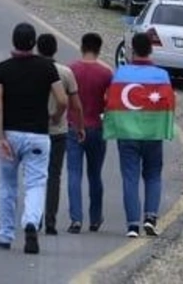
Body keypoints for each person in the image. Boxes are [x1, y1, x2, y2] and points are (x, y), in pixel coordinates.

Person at [0, 22, 69, 255]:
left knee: (8, 184)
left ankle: (5, 234)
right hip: (38, 134)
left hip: (11, 135)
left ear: (13, 41)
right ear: (33, 43)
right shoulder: (47, 68)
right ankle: (31, 222)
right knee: (35, 183)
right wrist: (55, 117)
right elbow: (63, 100)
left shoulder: (2, 69)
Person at [104, 32, 175, 238]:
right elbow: (169, 103)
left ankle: (132, 225)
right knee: (153, 175)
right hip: (153, 133)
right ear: (151, 50)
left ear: (132, 50)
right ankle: (150, 218)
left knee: (130, 177)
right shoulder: (162, 75)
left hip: (127, 133)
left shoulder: (121, 74)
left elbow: (110, 101)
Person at [67, 32, 114, 234]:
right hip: (97, 126)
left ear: (82, 46)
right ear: (99, 49)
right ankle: (95, 218)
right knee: (95, 174)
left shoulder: (71, 70)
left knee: (73, 174)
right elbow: (110, 102)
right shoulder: (106, 73)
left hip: (74, 126)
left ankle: (76, 219)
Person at [37, 34, 83, 236]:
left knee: (35, 176)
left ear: (38, 48)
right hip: (58, 131)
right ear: (55, 50)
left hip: (35, 129)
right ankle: (51, 221)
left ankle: (34, 216)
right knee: (54, 176)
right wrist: (79, 126)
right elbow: (75, 104)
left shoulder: (32, 70)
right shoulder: (66, 73)